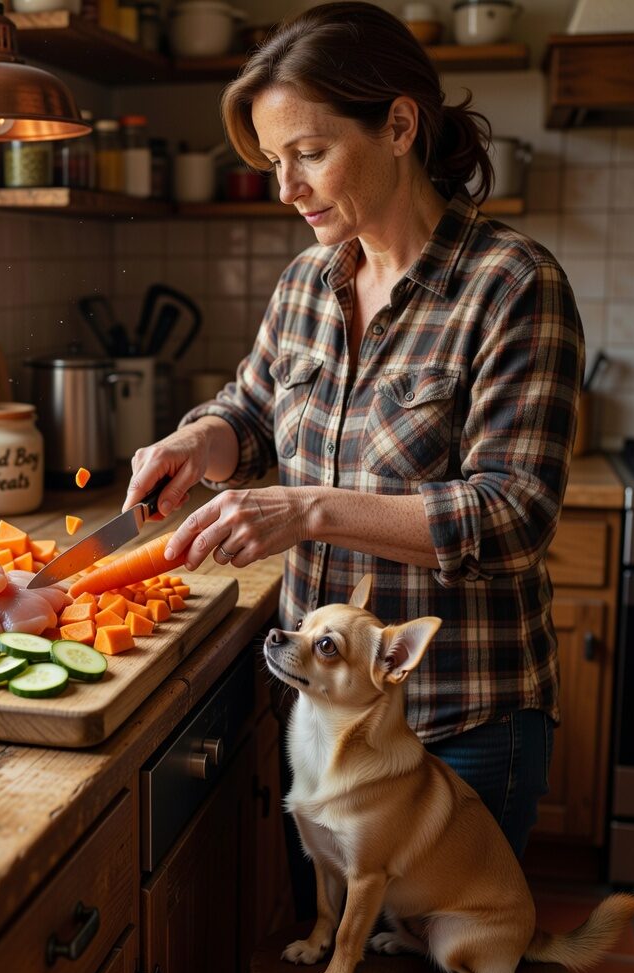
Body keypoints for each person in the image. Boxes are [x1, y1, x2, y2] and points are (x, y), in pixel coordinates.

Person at [123, 2, 584, 868]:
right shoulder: (307, 281)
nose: (286, 187)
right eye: (273, 161)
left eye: (309, 153)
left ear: (400, 124)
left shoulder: (512, 283)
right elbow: (252, 413)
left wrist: (309, 512)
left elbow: (513, 517)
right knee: (334, 965)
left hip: (458, 719)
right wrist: (199, 442)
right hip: (323, 723)